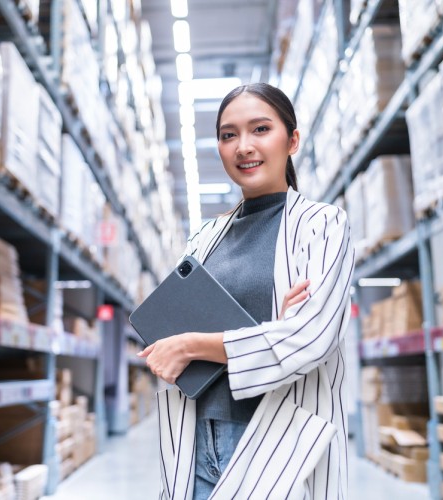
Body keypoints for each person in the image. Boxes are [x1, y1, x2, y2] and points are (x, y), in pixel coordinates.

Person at [137, 83, 355, 499]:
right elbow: (170, 334)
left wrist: (193, 344)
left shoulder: (322, 225)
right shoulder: (204, 237)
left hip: (275, 442)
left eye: (260, 129)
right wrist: (272, 328)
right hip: (196, 439)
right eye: (228, 135)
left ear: (291, 140)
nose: (243, 147)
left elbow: (310, 338)